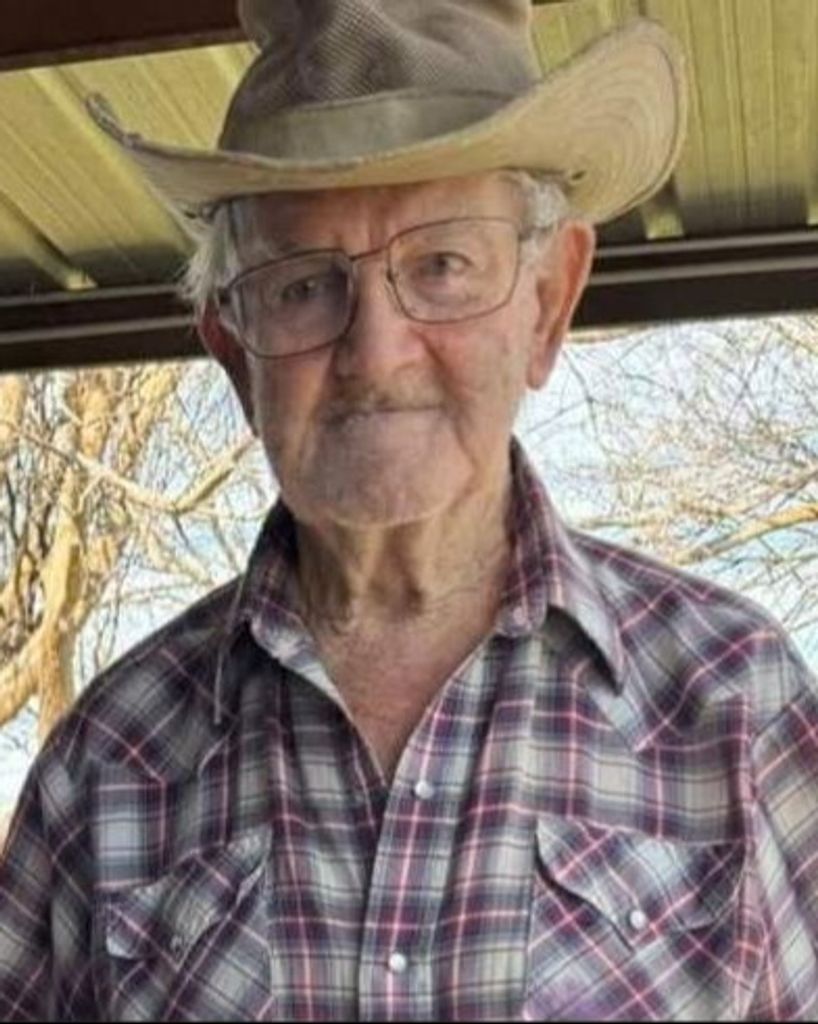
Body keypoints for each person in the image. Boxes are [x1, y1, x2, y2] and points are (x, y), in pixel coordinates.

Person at [2, 1, 817, 1019]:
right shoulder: (106, 762)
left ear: (548, 303)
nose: (376, 354)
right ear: (232, 349)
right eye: (302, 285)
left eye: (441, 265)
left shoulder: (739, 710)